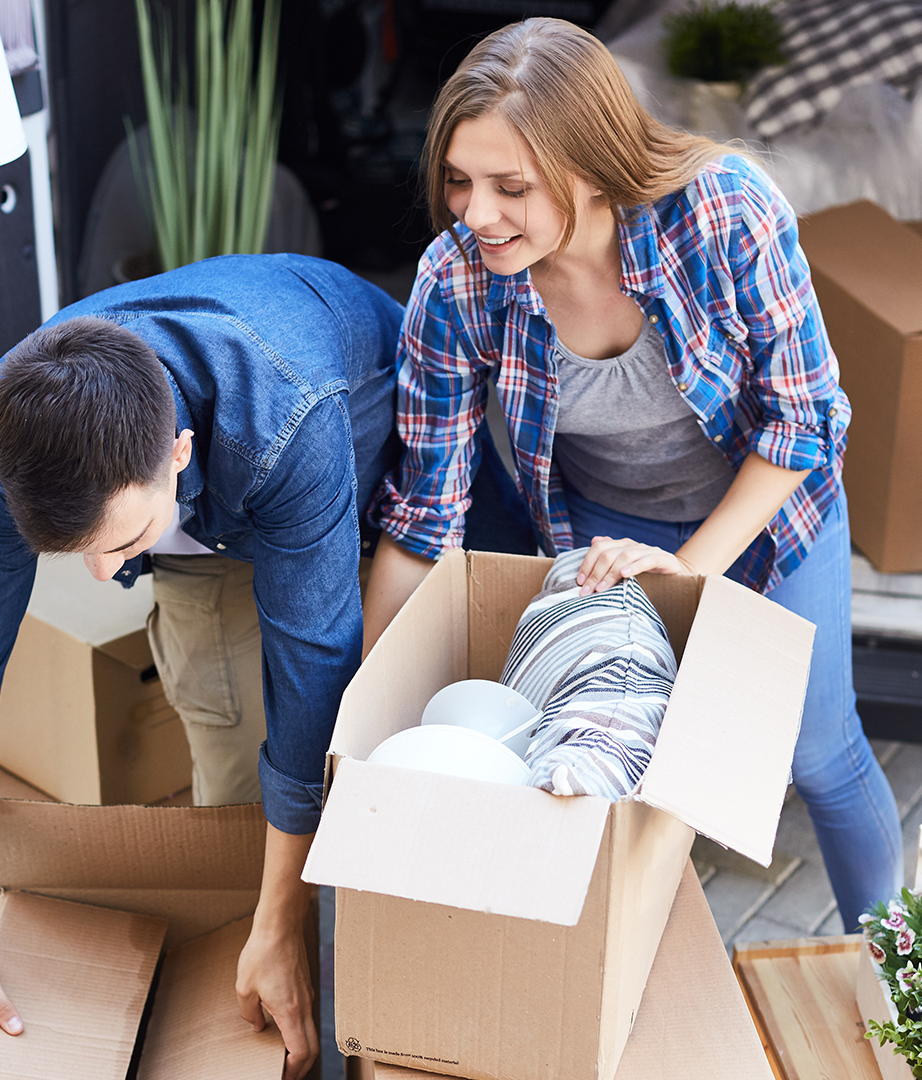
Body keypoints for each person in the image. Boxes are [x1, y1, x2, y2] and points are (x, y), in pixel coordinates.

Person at [362, 18, 903, 930]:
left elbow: (807, 419)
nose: (474, 212)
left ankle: (895, 981)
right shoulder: (457, 282)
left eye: (509, 187)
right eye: (458, 180)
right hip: (606, 531)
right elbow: (425, 518)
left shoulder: (725, 210)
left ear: (592, 163)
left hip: (772, 507)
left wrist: (695, 566)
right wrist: (380, 724)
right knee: (619, 764)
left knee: (816, 752)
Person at [0, 253, 404, 1079]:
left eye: (123, 545)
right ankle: (252, 1013)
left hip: (355, 433)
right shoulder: (5, 431)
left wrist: (286, 923)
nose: (103, 578)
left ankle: (332, 978)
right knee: (232, 780)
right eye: (75, 556)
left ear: (176, 453)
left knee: (356, 751)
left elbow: (312, 672)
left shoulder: (285, 411)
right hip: (208, 515)